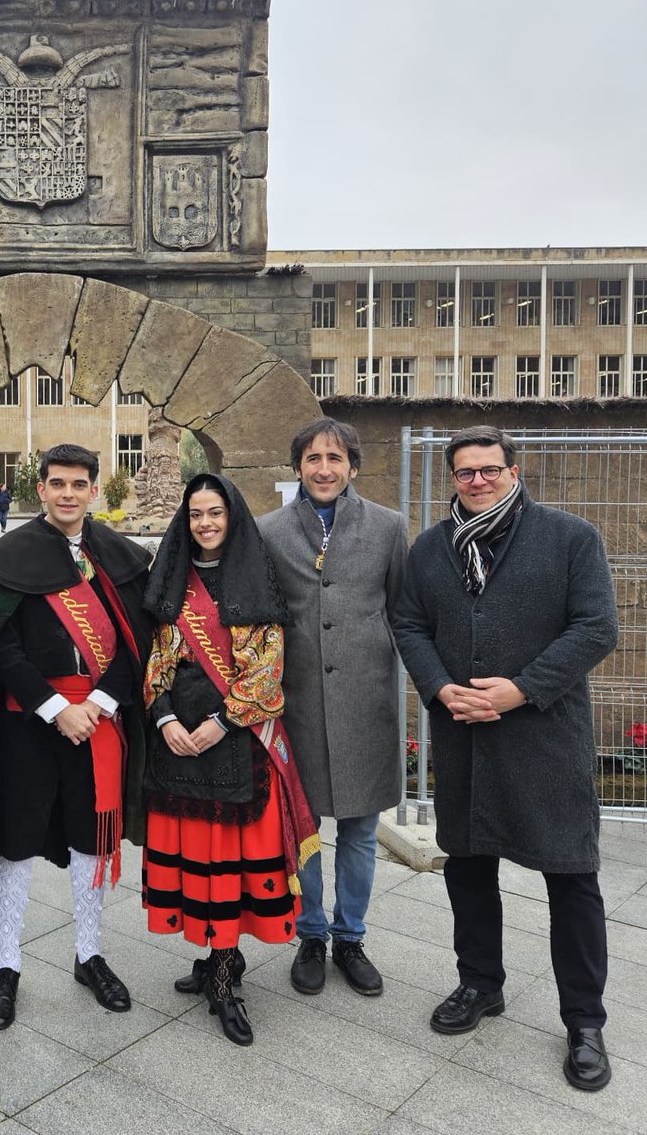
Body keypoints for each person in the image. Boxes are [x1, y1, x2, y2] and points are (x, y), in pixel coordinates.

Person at [393, 426, 617, 1092]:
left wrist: (521, 689)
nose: (478, 481)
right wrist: (439, 687)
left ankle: (585, 1021)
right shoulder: (431, 549)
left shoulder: (570, 538)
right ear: (452, 479)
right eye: (465, 472)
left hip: (545, 739)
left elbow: (596, 627)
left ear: (514, 472)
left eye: (490, 469)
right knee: (467, 869)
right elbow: (409, 623)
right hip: (465, 737)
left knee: (572, 880)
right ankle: (479, 984)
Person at [0, 444, 152, 1031]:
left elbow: (136, 644)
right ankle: (7, 964)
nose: (68, 494)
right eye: (57, 483)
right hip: (29, 723)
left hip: (98, 722)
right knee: (17, 843)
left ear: (94, 490)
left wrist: (98, 703)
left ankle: (89, 954)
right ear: (40, 489)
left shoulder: (121, 556)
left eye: (79, 484)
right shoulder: (8, 555)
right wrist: (54, 707)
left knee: (91, 838)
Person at [142, 474, 319, 1045]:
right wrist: (165, 719)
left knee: (228, 863)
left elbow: (267, 670)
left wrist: (219, 723)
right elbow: (157, 660)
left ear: (232, 517)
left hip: (237, 744)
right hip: (178, 748)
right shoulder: (173, 578)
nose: (205, 524)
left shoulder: (255, 576)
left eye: (215, 513)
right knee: (198, 859)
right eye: (196, 514)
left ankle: (223, 978)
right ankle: (214, 959)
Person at [257, 418, 407, 999]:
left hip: (366, 701)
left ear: (353, 467)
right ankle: (311, 934)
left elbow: (404, 613)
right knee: (302, 828)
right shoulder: (269, 531)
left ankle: (351, 936)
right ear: (297, 466)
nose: (324, 469)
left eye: (335, 458)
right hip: (296, 703)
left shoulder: (389, 527)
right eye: (314, 459)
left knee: (362, 830)